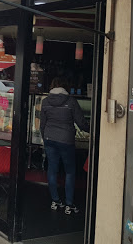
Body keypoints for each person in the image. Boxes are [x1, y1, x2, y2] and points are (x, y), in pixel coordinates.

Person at [40, 76, 90, 215]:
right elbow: (81, 123)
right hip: (66, 140)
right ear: (66, 87)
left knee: (52, 170)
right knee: (70, 171)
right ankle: (69, 204)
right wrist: (92, 130)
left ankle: (55, 201)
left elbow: (42, 124)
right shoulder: (71, 101)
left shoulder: (45, 102)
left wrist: (45, 138)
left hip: (50, 138)